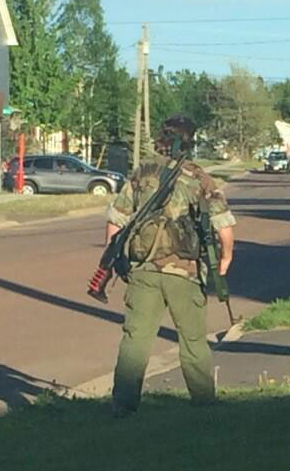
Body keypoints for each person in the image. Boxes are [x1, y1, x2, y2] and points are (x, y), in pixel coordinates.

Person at [105, 115, 236, 416]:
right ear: (190, 142)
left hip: (143, 269)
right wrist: (225, 259)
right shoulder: (199, 177)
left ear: (162, 141)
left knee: (136, 337)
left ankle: (123, 405)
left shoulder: (141, 174)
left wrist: (115, 259)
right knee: (192, 339)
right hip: (185, 271)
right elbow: (224, 227)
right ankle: (204, 402)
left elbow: (116, 221)